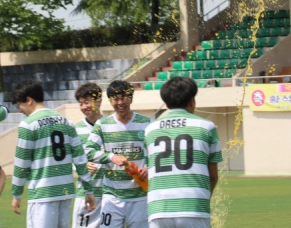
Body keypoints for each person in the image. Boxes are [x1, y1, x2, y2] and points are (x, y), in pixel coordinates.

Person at [9, 80, 95, 228]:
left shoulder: (28, 125)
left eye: (19, 105)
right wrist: (89, 189)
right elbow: (80, 159)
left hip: (42, 194)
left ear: (29, 100)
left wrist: (16, 194)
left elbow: (21, 164)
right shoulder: (67, 122)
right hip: (65, 192)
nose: (20, 110)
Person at [145, 77, 222, 228]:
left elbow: (150, 170)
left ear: (166, 103)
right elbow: (213, 176)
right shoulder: (206, 127)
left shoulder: (150, 130)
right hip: (193, 207)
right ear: (192, 100)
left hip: (158, 209)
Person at [85, 80, 150, 228]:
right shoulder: (102, 124)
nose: (120, 103)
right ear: (110, 101)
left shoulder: (146, 123)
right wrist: (111, 157)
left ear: (131, 98)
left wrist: (148, 167)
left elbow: (155, 153)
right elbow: (88, 151)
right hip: (112, 197)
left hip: (140, 197)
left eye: (124, 98)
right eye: (115, 99)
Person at [72, 82, 105, 228]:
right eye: (81, 103)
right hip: (85, 192)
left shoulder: (111, 125)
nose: (84, 107)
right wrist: (81, 167)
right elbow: (70, 158)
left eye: (87, 102)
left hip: (110, 193)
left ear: (98, 101)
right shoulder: (76, 129)